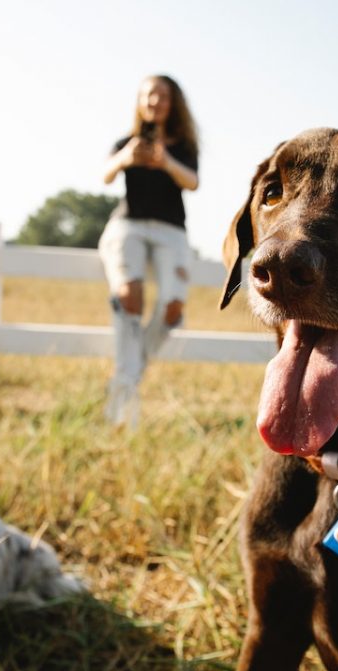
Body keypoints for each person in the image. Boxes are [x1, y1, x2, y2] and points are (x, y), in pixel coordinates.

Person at [98, 74, 200, 426]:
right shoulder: (126, 142)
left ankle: (127, 374)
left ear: (173, 103)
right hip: (129, 224)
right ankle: (125, 387)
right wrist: (127, 157)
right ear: (140, 101)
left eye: (162, 95)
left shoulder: (183, 146)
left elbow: (193, 182)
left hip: (171, 229)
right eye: (149, 95)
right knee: (129, 293)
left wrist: (165, 162)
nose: (155, 101)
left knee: (173, 306)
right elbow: (106, 175)